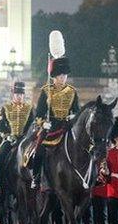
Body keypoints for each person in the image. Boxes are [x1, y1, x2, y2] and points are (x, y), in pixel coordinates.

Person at [28, 30, 79, 189]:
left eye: (64, 75)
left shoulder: (72, 92)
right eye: (60, 75)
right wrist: (43, 123)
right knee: (38, 148)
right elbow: (39, 113)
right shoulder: (46, 91)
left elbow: (76, 110)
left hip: (67, 126)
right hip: (50, 128)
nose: (62, 78)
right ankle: (36, 177)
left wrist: (73, 117)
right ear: (54, 76)